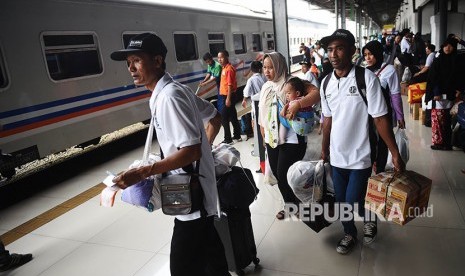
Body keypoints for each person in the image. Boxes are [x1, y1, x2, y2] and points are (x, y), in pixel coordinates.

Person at [110, 33, 229, 276]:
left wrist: (144, 171)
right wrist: (204, 155)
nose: (131, 68)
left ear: (157, 60)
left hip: (192, 199)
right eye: (128, 62)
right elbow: (214, 118)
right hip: (197, 192)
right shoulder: (175, 90)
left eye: (136, 60)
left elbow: (191, 150)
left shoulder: (169, 97)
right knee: (211, 256)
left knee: (182, 268)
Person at [319, 29, 405, 254]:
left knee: (351, 199)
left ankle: (369, 219)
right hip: (337, 156)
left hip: (361, 155)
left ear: (352, 51)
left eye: (339, 48)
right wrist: (324, 149)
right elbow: (327, 119)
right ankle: (349, 233)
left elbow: (380, 119)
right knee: (340, 201)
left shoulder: (366, 79)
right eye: (329, 49)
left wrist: (394, 153)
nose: (333, 54)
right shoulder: (326, 82)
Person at [258, 52, 320, 220]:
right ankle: (291, 204)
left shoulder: (291, 82)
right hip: (272, 138)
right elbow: (261, 113)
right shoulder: (266, 87)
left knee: (285, 172)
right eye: (265, 67)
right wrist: (263, 133)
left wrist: (298, 103)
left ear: (279, 66)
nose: (267, 71)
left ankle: (298, 202)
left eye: (271, 67)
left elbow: (316, 93)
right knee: (279, 175)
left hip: (292, 139)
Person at [362, 40, 406, 173]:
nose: (367, 58)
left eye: (370, 54)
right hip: (366, 114)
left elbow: (395, 95)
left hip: (384, 114)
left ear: (377, 53)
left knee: (383, 141)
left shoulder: (389, 70)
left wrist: (400, 116)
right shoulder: (363, 72)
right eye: (365, 55)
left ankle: (380, 168)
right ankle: (370, 165)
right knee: (368, 140)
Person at [425, 34, 465, 151]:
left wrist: (461, 41)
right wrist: (436, 92)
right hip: (438, 96)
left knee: (447, 121)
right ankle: (438, 143)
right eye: (446, 45)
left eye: (451, 45)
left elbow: (459, 77)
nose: (448, 48)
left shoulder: (457, 60)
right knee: (437, 118)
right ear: (442, 46)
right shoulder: (438, 61)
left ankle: (447, 143)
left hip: (451, 95)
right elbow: (434, 78)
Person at [218, 50, 242, 145]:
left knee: (223, 117)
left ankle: (228, 139)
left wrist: (228, 99)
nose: (219, 59)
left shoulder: (229, 69)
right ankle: (237, 135)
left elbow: (230, 85)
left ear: (226, 57)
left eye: (221, 57)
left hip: (228, 96)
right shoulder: (224, 68)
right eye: (218, 58)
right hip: (226, 96)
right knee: (233, 116)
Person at [242, 60, 267, 139]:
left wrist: (244, 100)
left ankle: (258, 141)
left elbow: (246, 92)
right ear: (260, 69)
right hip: (266, 104)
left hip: (256, 106)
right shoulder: (265, 76)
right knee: (265, 123)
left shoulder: (251, 80)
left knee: (255, 123)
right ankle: (265, 141)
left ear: (252, 70)